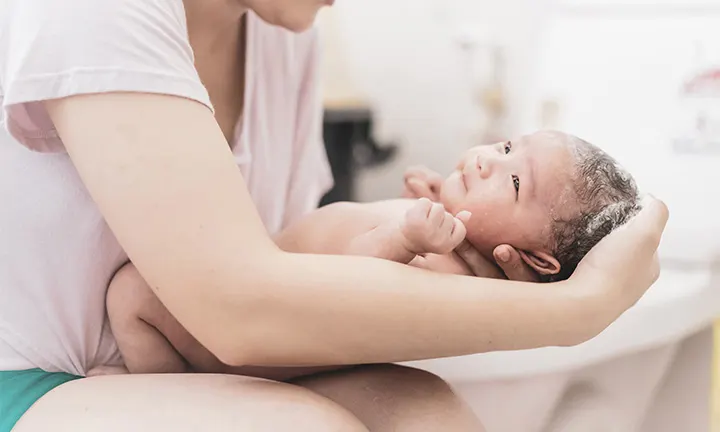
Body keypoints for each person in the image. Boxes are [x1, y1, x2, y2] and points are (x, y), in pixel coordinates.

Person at [0, 0, 668, 431]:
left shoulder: (284, 38)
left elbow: (290, 272)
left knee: (431, 419)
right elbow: (239, 311)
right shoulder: (95, 12)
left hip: (191, 354)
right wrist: (580, 308)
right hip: (24, 377)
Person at [106, 130, 643, 376]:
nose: (485, 162)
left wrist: (405, 238)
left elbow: (347, 291)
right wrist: (434, 199)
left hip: (242, 344)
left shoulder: (449, 271)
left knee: (130, 292)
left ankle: (155, 384)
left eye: (515, 180)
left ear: (537, 261)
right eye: (505, 147)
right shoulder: (457, 241)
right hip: (245, 302)